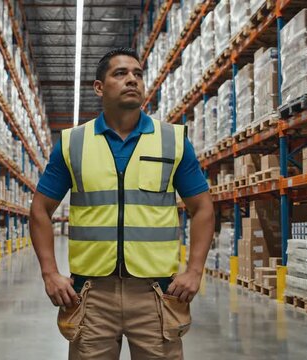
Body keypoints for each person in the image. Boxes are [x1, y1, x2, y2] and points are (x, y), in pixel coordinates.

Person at [29, 47, 215, 360]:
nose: (132, 79)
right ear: (99, 87)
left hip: (157, 295)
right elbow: (40, 210)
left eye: (138, 74)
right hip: (91, 295)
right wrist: (50, 273)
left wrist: (194, 271)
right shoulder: (73, 142)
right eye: (120, 73)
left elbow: (203, 208)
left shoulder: (172, 140)